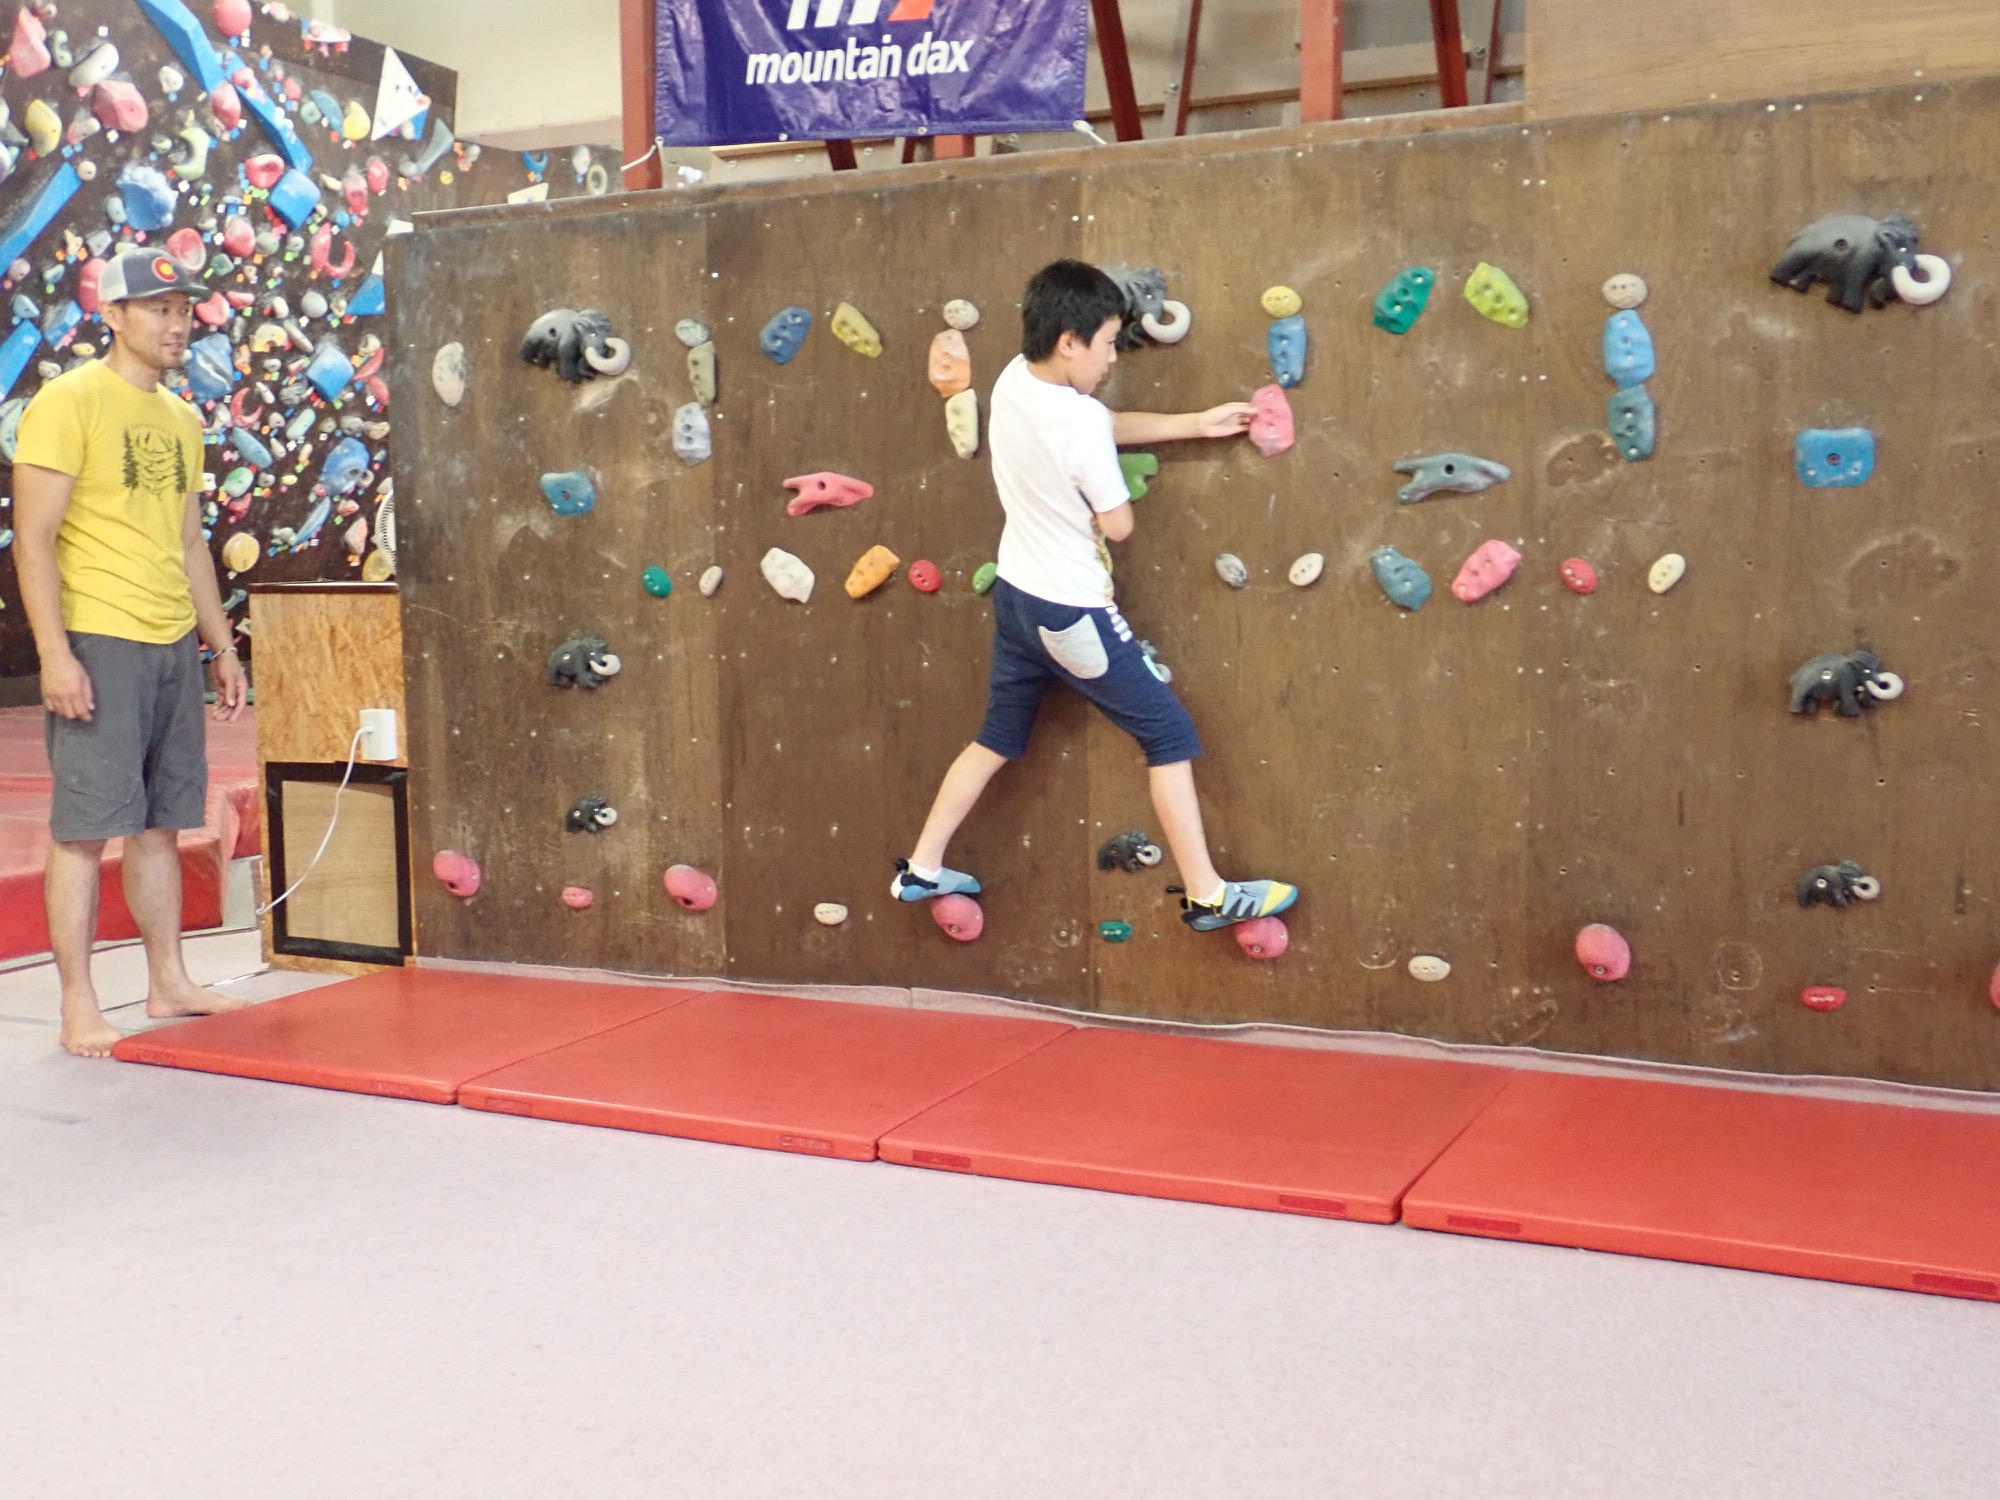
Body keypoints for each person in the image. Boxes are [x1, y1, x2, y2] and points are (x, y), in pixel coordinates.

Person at [895, 259, 1297, 932]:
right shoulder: (1076, 424)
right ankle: (1206, 894)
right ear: (1070, 342)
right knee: (1168, 735)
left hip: (1019, 599)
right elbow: (1119, 523)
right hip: (1071, 611)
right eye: (1109, 342)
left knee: (994, 738)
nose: (1113, 356)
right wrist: (1094, 488)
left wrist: (1194, 423)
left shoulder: (1015, 378)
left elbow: (1093, 423)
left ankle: (923, 867)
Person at [13, 247, 249, 1058]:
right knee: (84, 829)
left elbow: (189, 542)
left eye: (183, 308)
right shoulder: (68, 401)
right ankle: (79, 1002)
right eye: (157, 308)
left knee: (160, 827)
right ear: (111, 315)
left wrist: (219, 644)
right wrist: (54, 653)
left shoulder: (182, 417)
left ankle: (168, 980)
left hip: (169, 642)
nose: (176, 322)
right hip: (99, 637)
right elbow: (34, 540)